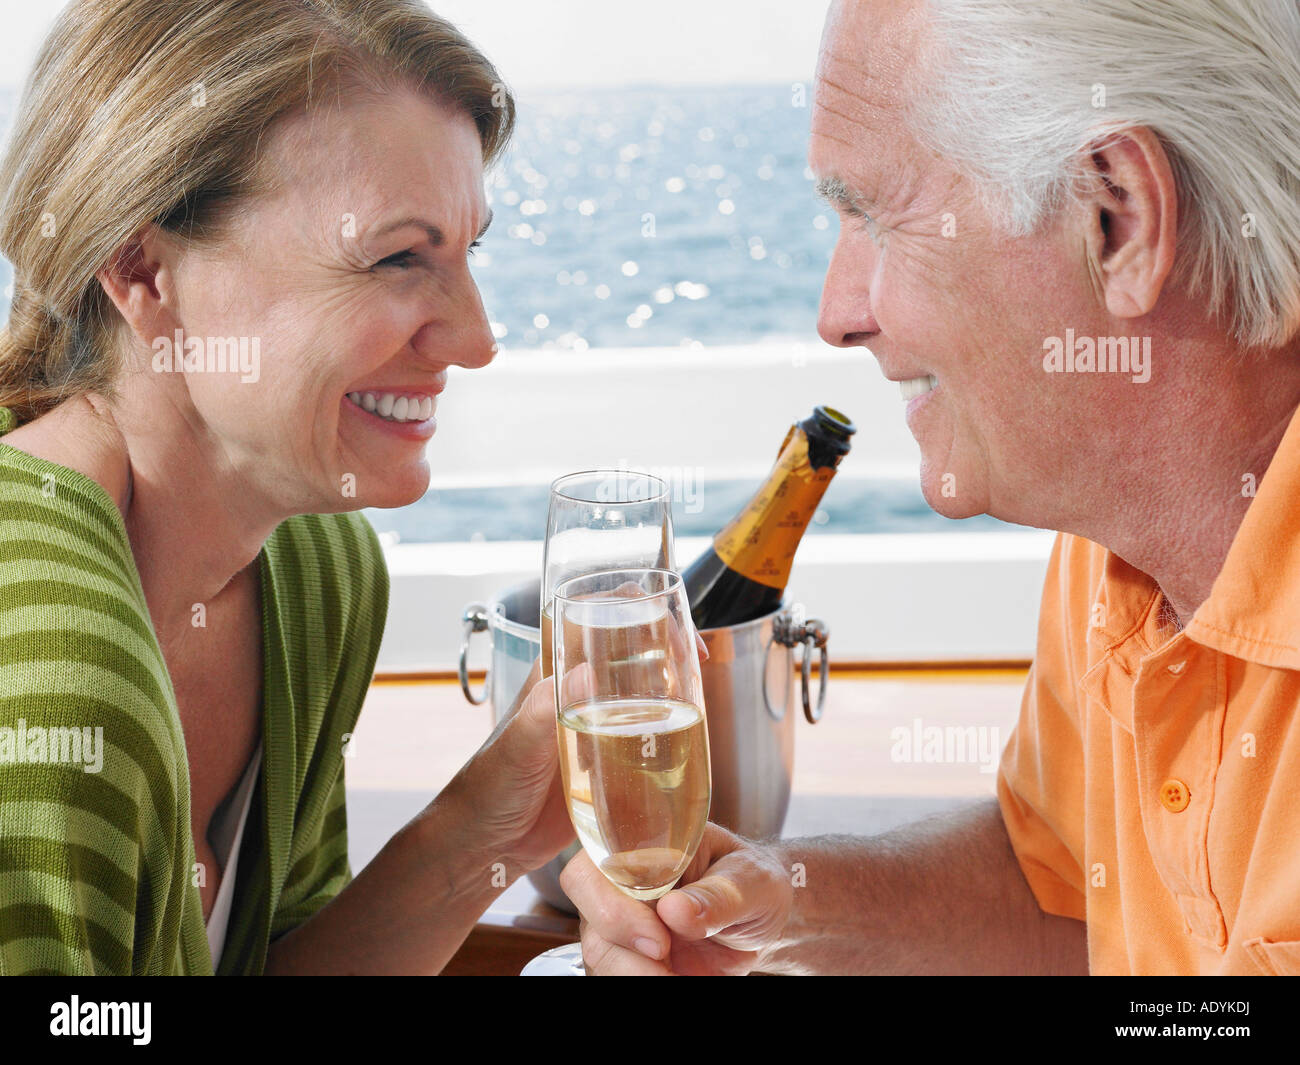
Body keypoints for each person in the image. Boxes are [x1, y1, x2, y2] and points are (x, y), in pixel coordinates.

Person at [563, 0, 1300, 976]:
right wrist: (776, 906)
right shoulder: (1115, 542)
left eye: (875, 215)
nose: (838, 315)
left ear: (1116, 217)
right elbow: (1064, 898)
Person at [0, 0, 572, 974]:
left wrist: (486, 832)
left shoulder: (313, 569)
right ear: (144, 271)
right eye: (397, 257)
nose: (477, 340)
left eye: (465, 252)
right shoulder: (51, 670)